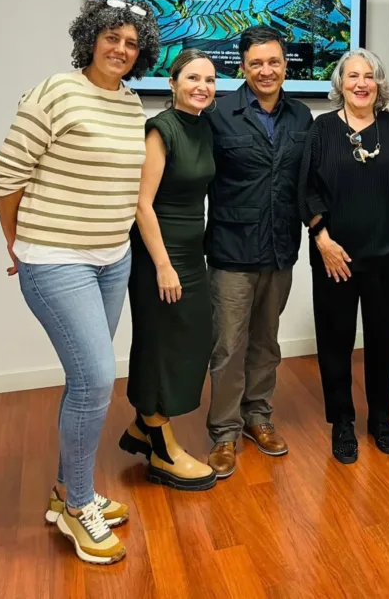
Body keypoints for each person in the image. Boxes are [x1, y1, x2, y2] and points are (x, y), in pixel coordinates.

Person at [0, 0, 160, 564]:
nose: (121, 49)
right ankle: (78, 504)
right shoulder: (55, 92)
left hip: (112, 258)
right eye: (112, 37)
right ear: (90, 39)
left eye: (132, 43)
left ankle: (67, 493)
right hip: (56, 259)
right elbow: (5, 174)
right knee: (95, 380)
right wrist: (17, 242)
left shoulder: (132, 105)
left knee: (83, 381)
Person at [299, 49, 389, 464]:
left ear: (379, 84)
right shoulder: (321, 129)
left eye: (369, 76)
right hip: (335, 255)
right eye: (353, 76)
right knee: (334, 341)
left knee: (383, 339)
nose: (361, 83)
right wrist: (322, 238)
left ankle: (381, 419)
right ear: (340, 84)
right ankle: (343, 422)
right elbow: (306, 188)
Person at [204, 27, 313, 478]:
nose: (266, 71)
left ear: (286, 65)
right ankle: (225, 432)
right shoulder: (217, 114)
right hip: (231, 250)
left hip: (281, 247)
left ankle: (258, 416)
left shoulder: (302, 116)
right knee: (229, 345)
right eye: (256, 64)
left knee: (267, 341)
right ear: (242, 67)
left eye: (274, 62)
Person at [119, 49, 217, 491]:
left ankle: (143, 425)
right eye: (193, 77)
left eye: (211, 80)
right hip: (159, 257)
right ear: (173, 82)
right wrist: (162, 265)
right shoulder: (160, 130)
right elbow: (142, 204)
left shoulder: (205, 128)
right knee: (159, 344)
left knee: (192, 339)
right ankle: (162, 449)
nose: (202, 86)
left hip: (191, 255)